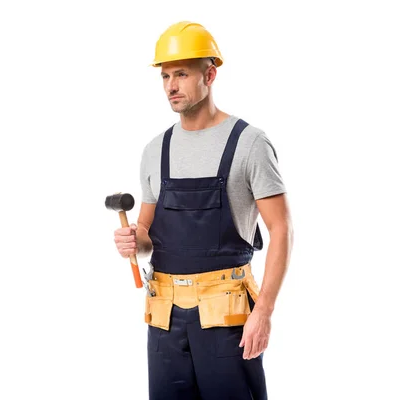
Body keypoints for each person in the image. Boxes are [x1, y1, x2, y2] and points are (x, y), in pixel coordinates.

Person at [113, 21, 294, 399]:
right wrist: (134, 241)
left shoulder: (249, 144)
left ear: (209, 74)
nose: (170, 86)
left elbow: (282, 230)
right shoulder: (154, 150)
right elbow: (147, 236)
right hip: (164, 314)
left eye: (181, 73)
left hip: (225, 313)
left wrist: (263, 312)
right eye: (165, 75)